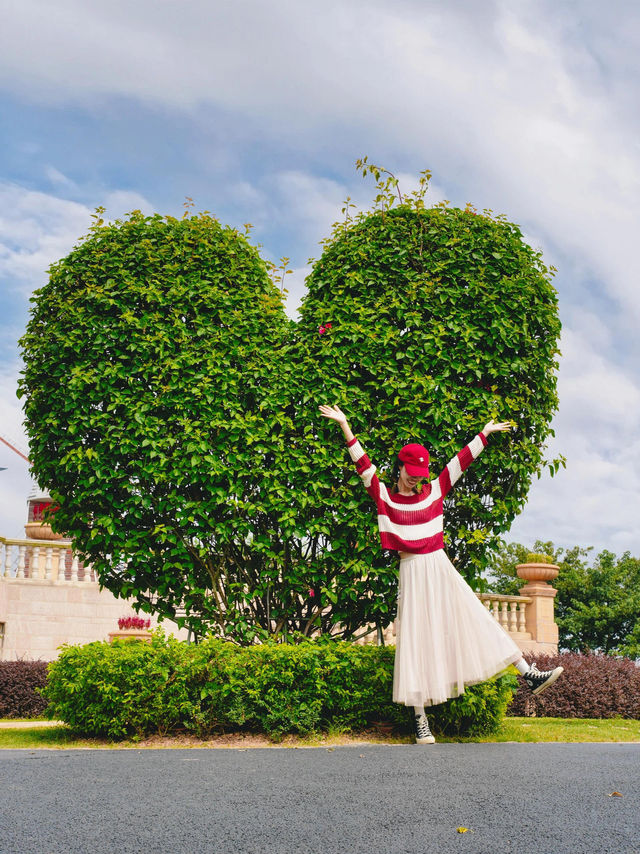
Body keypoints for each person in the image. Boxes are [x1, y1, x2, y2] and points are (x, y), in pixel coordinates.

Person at [319, 404, 563, 745]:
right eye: (412, 473)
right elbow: (363, 464)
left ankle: (529, 674)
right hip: (413, 572)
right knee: (415, 643)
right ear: (401, 468)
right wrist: (345, 426)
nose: (418, 478)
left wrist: (483, 435)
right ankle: (420, 721)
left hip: (439, 565)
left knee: (478, 617)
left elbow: (459, 463)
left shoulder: (434, 490)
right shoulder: (386, 496)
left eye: (422, 473)